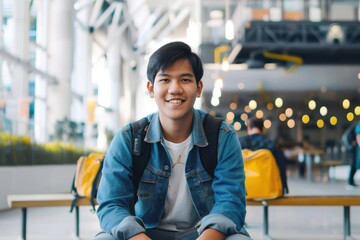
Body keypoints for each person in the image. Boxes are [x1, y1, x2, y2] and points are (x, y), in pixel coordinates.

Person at [93, 41, 251, 240]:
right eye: (165, 80)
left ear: (199, 87)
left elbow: (231, 201)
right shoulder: (128, 138)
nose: (175, 89)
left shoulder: (222, 136)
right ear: (151, 88)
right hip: (145, 234)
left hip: (203, 233)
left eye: (185, 80)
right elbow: (112, 204)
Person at [238, 117, 289, 194]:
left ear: (249, 127)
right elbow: (282, 166)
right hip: (268, 189)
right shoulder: (271, 144)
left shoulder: (239, 143)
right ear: (263, 128)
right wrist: (284, 186)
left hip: (244, 189)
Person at [346, 121, 360, 188]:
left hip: (355, 149)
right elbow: (358, 136)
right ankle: (350, 182)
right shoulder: (359, 125)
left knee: (354, 165)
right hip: (355, 149)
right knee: (354, 165)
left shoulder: (357, 125)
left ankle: (351, 182)